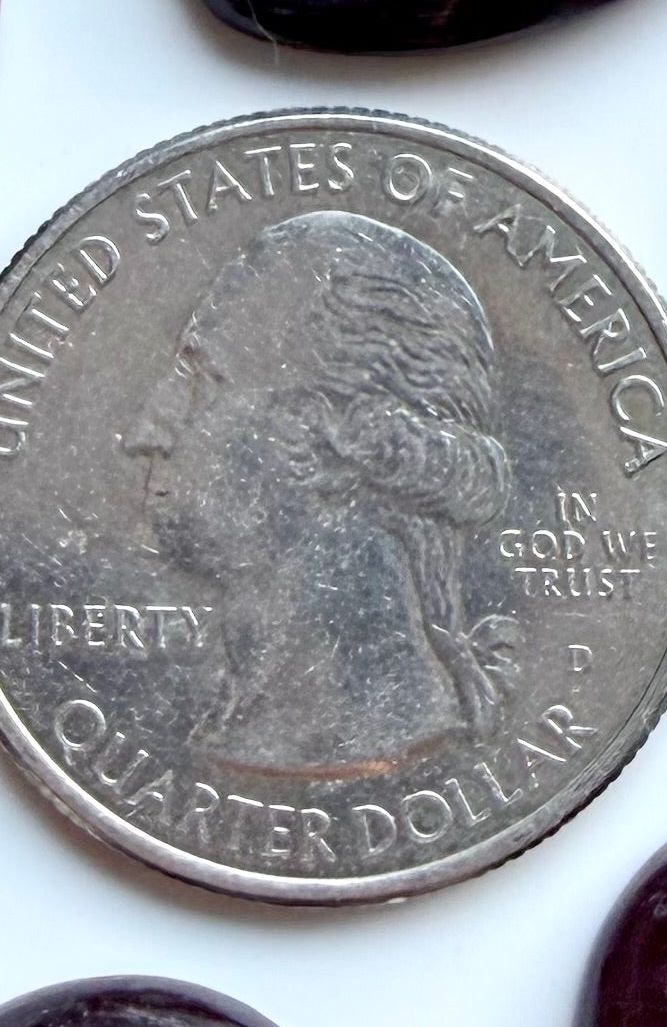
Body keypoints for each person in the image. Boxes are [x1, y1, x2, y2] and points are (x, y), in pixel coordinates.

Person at [126, 210, 519, 770]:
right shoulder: (263, 715)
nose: (145, 434)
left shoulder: (354, 730)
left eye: (202, 379)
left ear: (329, 440)